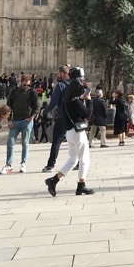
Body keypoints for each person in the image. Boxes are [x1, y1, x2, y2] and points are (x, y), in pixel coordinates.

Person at [44, 67, 95, 197]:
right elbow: (88, 114)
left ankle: (53, 180)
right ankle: (81, 185)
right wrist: (89, 101)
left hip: (70, 133)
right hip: (78, 133)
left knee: (73, 159)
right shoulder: (76, 102)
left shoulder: (66, 101)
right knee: (84, 159)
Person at [0, 73, 38, 174]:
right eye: (24, 85)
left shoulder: (32, 92)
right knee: (10, 142)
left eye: (28, 85)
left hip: (26, 121)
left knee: (25, 143)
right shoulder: (14, 91)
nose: (26, 87)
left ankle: (23, 163)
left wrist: (32, 117)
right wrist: (9, 120)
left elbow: (36, 106)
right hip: (15, 121)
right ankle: (8, 165)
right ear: (21, 82)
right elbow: (8, 106)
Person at [42, 65, 71, 172]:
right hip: (74, 118)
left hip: (63, 117)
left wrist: (45, 111)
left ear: (62, 73)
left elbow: (53, 103)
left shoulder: (60, 86)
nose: (58, 75)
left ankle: (50, 165)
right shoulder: (75, 84)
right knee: (74, 141)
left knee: (56, 142)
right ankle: (78, 163)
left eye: (59, 73)